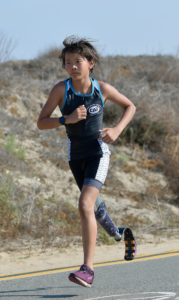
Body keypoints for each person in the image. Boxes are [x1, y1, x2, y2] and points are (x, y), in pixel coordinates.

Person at [37, 36, 137, 288]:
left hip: (98, 151)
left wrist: (117, 129)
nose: (72, 66)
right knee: (93, 208)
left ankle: (87, 270)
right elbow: (41, 122)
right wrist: (65, 119)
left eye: (78, 61)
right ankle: (120, 233)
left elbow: (130, 106)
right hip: (75, 155)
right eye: (67, 62)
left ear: (90, 63)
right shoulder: (61, 90)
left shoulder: (100, 89)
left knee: (84, 204)